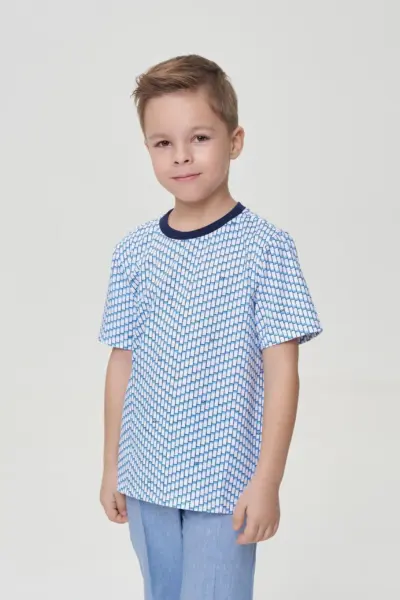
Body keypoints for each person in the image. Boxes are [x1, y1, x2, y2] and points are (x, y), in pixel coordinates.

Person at [98, 54, 323, 600]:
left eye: (199, 137)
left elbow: (283, 373)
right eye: (163, 142)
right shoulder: (134, 252)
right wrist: (111, 467)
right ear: (148, 149)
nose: (181, 155)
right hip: (146, 475)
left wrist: (267, 480)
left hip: (225, 483)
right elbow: (122, 364)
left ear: (234, 140)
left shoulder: (266, 248)